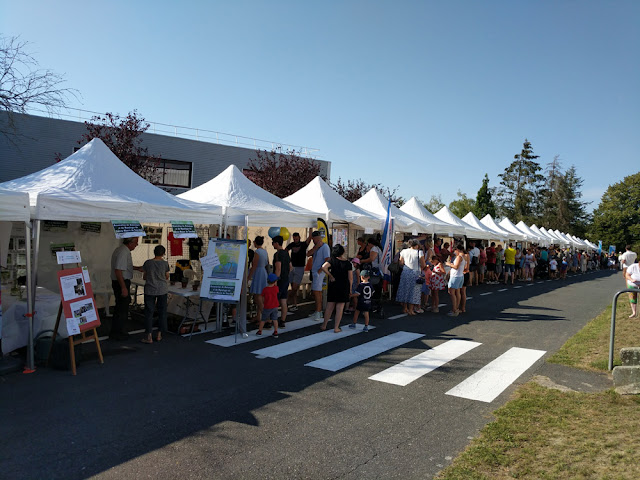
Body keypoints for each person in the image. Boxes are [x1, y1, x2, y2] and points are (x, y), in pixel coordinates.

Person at [110, 237, 143, 341]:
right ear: (130, 242)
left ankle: (118, 331)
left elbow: (123, 266)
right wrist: (123, 287)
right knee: (122, 308)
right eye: (136, 243)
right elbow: (118, 270)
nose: (136, 245)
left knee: (121, 307)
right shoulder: (123, 252)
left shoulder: (121, 250)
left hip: (120, 281)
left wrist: (136, 268)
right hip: (121, 282)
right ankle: (118, 332)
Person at [141, 245, 170, 344]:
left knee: (149, 312)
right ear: (163, 253)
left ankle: (149, 336)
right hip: (162, 289)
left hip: (150, 289)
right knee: (162, 312)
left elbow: (144, 276)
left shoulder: (148, 263)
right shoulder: (165, 264)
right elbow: (167, 276)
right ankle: (159, 334)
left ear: (154, 252)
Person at [320, 244, 352, 332]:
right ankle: (336, 327)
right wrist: (350, 289)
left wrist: (330, 275)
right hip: (343, 285)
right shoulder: (347, 263)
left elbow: (323, 267)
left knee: (329, 306)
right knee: (340, 307)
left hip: (333, 284)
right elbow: (350, 278)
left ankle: (324, 325)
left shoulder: (332, 260)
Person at [395, 239, 426, 315]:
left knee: (405, 289)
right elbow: (423, 264)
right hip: (415, 272)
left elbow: (401, 262)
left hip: (405, 272)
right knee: (414, 291)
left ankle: (405, 308)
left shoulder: (403, 251)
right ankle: (411, 310)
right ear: (416, 245)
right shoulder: (419, 252)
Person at [307, 231, 331, 321]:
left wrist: (320, 270)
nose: (313, 241)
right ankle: (319, 311)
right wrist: (316, 247)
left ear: (318, 238)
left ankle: (318, 311)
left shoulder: (325, 247)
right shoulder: (316, 247)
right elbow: (308, 254)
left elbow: (327, 259)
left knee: (317, 292)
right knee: (317, 291)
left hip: (319, 272)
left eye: (314, 239)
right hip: (315, 271)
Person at [285, 232, 310, 311]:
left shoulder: (303, 244)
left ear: (299, 237)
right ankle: (294, 304)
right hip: (292, 267)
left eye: (296, 238)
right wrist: (289, 261)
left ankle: (287, 299)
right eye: (294, 239)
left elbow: (309, 239)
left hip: (300, 267)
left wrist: (310, 228)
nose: (295, 240)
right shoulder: (291, 245)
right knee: (293, 286)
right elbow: (285, 251)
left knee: (295, 287)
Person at [248, 236, 269, 324]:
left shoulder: (257, 252)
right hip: (263, 272)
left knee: (257, 297)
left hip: (258, 273)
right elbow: (267, 263)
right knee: (261, 295)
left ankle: (266, 317)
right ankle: (258, 316)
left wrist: (249, 277)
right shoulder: (264, 251)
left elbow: (254, 265)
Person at [272, 235, 290, 328]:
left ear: (276, 243)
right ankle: (282, 320)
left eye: (273, 243)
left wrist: (275, 281)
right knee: (283, 300)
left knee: (274, 300)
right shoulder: (286, 253)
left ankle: (273, 319)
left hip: (279, 280)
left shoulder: (277, 254)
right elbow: (290, 266)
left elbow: (278, 268)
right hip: (286, 278)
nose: (272, 245)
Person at [256, 273, 280, 337]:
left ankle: (260, 331)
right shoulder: (276, 288)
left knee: (263, 319)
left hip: (267, 306)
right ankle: (275, 331)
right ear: (275, 281)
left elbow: (261, 296)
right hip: (275, 306)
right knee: (275, 319)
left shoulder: (265, 289)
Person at [446, 245, 465, 317]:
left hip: (456, 276)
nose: (454, 252)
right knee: (457, 292)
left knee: (451, 292)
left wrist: (449, 264)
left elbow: (456, 267)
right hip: (459, 275)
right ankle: (456, 308)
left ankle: (454, 309)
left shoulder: (459, 257)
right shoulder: (463, 256)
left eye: (454, 250)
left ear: (457, 250)